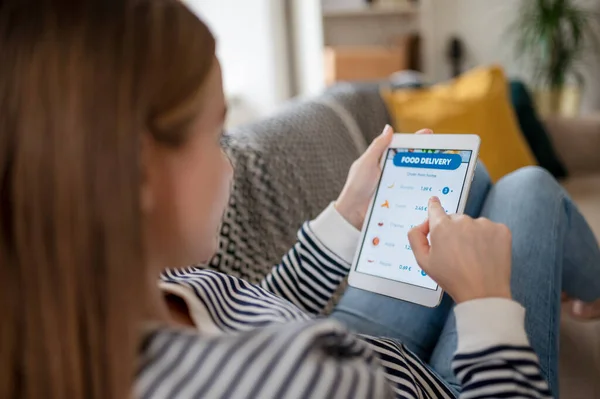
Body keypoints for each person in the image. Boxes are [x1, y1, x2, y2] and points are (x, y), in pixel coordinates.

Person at [1, 1, 599, 398]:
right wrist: (487, 302)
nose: (230, 157)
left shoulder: (136, 288)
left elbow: (256, 308)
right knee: (527, 188)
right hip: (407, 381)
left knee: (459, 176)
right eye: (217, 135)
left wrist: (348, 209)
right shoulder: (299, 382)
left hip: (348, 336)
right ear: (136, 176)